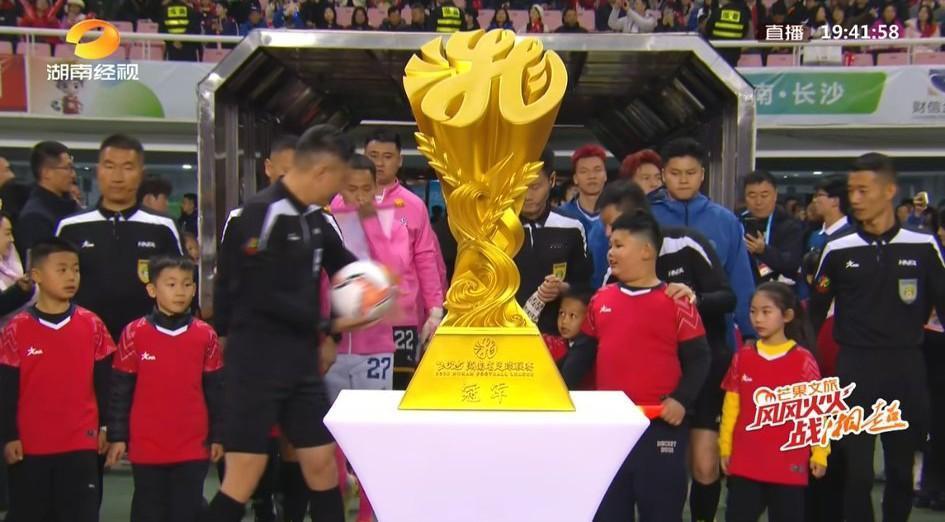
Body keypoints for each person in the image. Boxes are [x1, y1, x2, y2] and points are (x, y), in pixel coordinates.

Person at [203, 125, 372, 522]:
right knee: (243, 475)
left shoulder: (315, 218)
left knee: (322, 465)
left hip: (300, 364)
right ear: (322, 171)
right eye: (339, 180)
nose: (339, 191)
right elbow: (256, 295)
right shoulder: (259, 214)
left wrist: (375, 286)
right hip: (256, 362)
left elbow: (343, 263)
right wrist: (332, 320)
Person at [810, 153, 945, 522]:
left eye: (863, 190)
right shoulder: (838, 248)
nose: (855, 198)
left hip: (906, 366)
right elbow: (814, 313)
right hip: (854, 368)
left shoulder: (923, 246)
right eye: (851, 190)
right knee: (857, 474)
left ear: (889, 191)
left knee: (900, 472)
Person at [596, 180, 735, 522]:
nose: (609, 235)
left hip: (695, 377)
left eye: (614, 226)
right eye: (608, 230)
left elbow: (729, 297)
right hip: (627, 409)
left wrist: (692, 299)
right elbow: (600, 339)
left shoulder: (687, 243)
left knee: (702, 467)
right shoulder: (609, 284)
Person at [560, 211, 710, 522]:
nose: (611, 253)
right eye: (610, 246)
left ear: (646, 251)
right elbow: (580, 358)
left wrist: (681, 400)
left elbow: (700, 358)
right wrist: (556, 392)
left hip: (660, 426)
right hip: (610, 429)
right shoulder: (600, 300)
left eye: (619, 245)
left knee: (662, 513)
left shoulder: (677, 302)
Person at [213, 132, 299, 522]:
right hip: (251, 345)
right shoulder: (240, 218)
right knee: (254, 432)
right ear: (268, 169)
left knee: (292, 434)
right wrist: (223, 333)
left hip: (296, 344)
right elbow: (226, 280)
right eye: (284, 173)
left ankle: (287, 506)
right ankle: (262, 502)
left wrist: (329, 336)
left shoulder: (318, 219)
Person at [0, 239, 115, 522]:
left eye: (75, 269)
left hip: (80, 443)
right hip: (30, 446)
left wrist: (105, 427)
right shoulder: (16, 329)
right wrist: (9, 436)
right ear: (37, 275)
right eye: (61, 269)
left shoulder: (93, 325)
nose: (71, 276)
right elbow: (6, 389)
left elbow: (105, 384)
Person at [105, 255, 223, 522]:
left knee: (187, 510)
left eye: (186, 284)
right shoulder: (133, 333)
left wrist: (218, 435)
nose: (180, 291)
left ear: (194, 289)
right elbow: (120, 391)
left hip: (193, 445)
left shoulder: (206, 335)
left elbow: (216, 391)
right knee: (148, 509)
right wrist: (117, 436)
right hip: (147, 445)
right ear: (152, 289)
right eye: (171, 284)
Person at [327, 154, 407, 522]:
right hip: (333, 346)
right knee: (333, 433)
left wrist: (371, 221)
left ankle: (369, 512)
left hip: (376, 345)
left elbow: (396, 270)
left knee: (371, 434)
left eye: (365, 188)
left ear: (375, 186)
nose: (358, 196)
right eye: (351, 188)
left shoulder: (389, 219)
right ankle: (335, 502)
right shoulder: (325, 220)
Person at [56, 134, 184, 342]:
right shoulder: (70, 227)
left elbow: (182, 285)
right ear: (98, 171)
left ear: (141, 174)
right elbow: (54, 291)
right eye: (109, 166)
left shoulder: (163, 227)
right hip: (84, 341)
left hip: (149, 342)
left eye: (127, 167)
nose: (117, 177)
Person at [720, 282, 828, 521]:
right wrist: (726, 447)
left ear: (787, 315)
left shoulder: (804, 360)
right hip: (746, 462)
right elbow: (731, 408)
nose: (757, 319)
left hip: (788, 463)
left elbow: (815, 412)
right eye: (753, 312)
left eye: (766, 312)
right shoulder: (743, 357)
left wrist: (819, 452)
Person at [358, 130, 445, 389]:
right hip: (356, 314)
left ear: (400, 160)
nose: (379, 163)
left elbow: (426, 259)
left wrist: (435, 310)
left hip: (403, 316)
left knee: (398, 389)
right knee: (357, 393)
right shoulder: (343, 200)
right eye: (373, 155)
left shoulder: (414, 205)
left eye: (387, 156)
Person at [651, 137, 756, 345]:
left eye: (690, 173)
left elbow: (740, 280)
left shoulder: (725, 221)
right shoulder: (646, 219)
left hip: (715, 333)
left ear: (702, 175)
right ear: (663, 175)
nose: (683, 180)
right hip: (657, 331)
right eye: (675, 173)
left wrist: (750, 333)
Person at [514, 148, 592, 335]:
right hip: (507, 332)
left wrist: (563, 289)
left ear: (552, 180)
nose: (527, 196)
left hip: (555, 334)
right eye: (520, 187)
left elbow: (584, 285)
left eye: (534, 187)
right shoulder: (498, 227)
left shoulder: (572, 227)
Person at [15, 140, 78, 260]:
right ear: (47, 173)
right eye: (67, 168)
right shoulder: (35, 217)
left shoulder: (71, 205)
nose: (73, 174)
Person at [740, 170, 805, 286]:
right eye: (752, 196)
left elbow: (791, 264)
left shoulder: (790, 226)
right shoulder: (736, 222)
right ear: (744, 197)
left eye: (764, 195)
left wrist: (764, 251)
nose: (758, 201)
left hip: (775, 291)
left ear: (775, 195)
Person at [539, 288, 592, 365]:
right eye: (562, 313)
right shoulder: (551, 344)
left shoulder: (590, 352)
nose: (564, 321)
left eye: (572, 316)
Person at [807, 174, 850, 253]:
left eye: (819, 195)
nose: (814, 200)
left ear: (835, 200)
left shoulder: (852, 235)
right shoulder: (815, 235)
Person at [704, 0, 753, 65]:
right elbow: (745, 33)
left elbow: (707, 30)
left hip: (716, 53)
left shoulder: (717, 12)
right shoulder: (743, 14)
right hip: (733, 53)